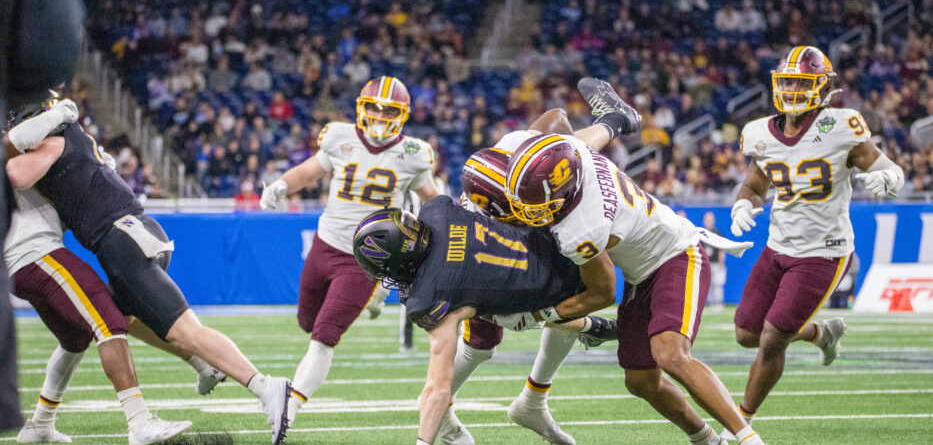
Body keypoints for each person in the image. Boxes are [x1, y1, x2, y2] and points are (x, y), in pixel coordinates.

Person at [5, 94, 292, 445]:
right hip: (128, 233)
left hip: (121, 240)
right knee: (119, 321)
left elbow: (15, 172)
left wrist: (50, 121)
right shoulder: (70, 139)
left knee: (184, 330)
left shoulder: (53, 140)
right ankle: (203, 367)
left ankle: (265, 387)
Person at [503, 79, 761, 445]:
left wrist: (539, 315)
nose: (531, 214)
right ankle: (705, 440)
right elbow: (558, 123)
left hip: (676, 254)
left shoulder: (583, 227)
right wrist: (611, 123)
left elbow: (603, 292)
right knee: (639, 380)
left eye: (538, 206)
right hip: (642, 272)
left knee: (670, 355)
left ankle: (748, 438)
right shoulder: (571, 156)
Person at [727, 45, 904, 433]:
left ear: (822, 87)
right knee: (746, 334)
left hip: (823, 251)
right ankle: (821, 333)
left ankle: (739, 424)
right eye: (787, 80)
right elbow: (754, 185)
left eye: (801, 82)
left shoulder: (841, 126)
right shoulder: (760, 133)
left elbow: (891, 170)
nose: (791, 89)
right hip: (777, 246)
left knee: (772, 338)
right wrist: (743, 204)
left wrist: (887, 179)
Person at [352, 201, 617, 445]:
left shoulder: (434, 295)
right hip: (548, 240)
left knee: (510, 318)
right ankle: (591, 328)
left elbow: (437, 387)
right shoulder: (437, 210)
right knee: (494, 317)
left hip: (552, 286)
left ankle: (591, 327)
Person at [259, 76, 441, 427]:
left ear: (401, 114)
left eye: (388, 109)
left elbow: (431, 198)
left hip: (366, 260)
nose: (379, 114)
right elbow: (310, 171)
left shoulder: (412, 154)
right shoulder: (339, 137)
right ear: (361, 107)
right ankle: (374, 298)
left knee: (324, 336)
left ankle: (289, 407)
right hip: (325, 244)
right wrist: (281, 185)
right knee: (307, 322)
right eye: (373, 106)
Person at [0, 0, 84, 432]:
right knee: (106, 318)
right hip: (27, 251)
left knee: (80, 330)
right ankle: (139, 416)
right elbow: (53, 50)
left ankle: (41, 423)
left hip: (29, 248)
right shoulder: (32, 129)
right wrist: (56, 117)